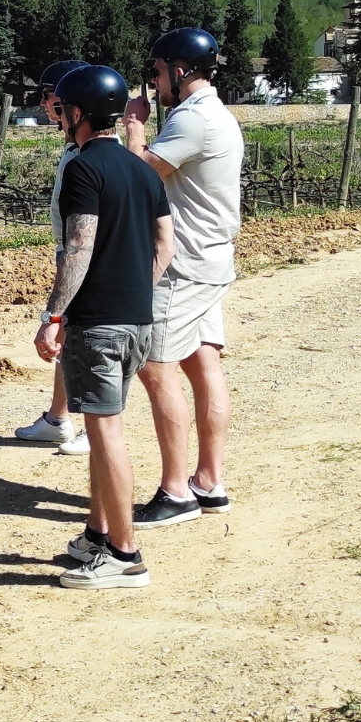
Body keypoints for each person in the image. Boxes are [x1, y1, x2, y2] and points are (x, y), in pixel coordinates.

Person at [32, 66, 174, 589]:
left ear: (76, 113)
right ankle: (97, 532)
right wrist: (136, 287)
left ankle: (125, 553)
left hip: (97, 323)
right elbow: (166, 245)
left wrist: (53, 316)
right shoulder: (141, 169)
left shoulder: (82, 168)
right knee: (101, 423)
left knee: (105, 433)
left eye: (62, 108)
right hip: (140, 318)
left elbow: (78, 246)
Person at [123, 28, 245, 529]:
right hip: (211, 257)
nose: (152, 83)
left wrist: (133, 129)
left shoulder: (193, 120)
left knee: (156, 366)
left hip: (183, 264)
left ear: (179, 69)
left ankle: (175, 491)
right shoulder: (216, 114)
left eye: (155, 72)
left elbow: (136, 179)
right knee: (203, 363)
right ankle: (208, 481)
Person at [14, 59, 91, 455]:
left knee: (81, 337)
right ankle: (58, 418)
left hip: (81, 251)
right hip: (69, 247)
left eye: (48, 97)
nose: (45, 105)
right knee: (67, 334)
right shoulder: (70, 145)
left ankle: (94, 427)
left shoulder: (85, 152)